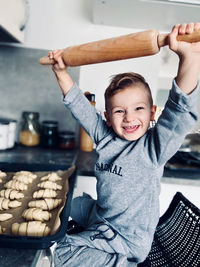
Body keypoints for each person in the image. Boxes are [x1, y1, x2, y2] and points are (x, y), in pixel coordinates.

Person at [48, 23, 200, 267]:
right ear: (108, 117)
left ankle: (120, 263)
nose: (129, 118)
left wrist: (189, 57)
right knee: (63, 203)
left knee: (58, 252)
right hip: (102, 216)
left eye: (138, 108)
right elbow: (80, 108)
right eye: (119, 111)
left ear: (152, 113)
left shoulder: (153, 149)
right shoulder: (106, 137)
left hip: (126, 240)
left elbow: (178, 111)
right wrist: (61, 72)